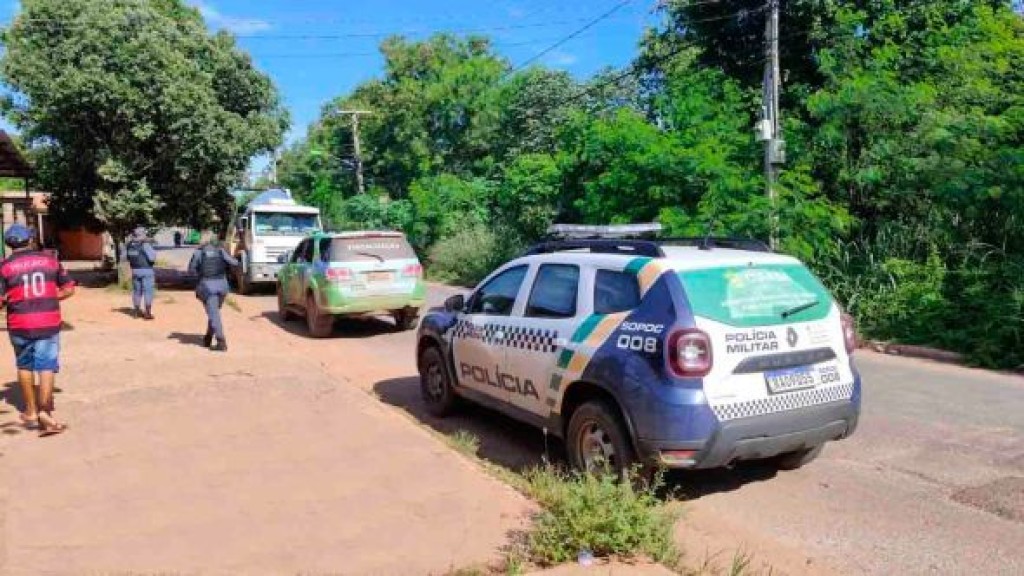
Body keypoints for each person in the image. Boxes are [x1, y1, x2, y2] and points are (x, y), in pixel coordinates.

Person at [0, 224, 76, 436]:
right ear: (30, 240)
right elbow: (69, 289)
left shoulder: (4, 267)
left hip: (19, 324)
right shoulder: (50, 260)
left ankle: (31, 411)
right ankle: (45, 411)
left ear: (9, 244)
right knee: (46, 366)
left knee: (24, 365)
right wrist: (50, 296)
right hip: (48, 322)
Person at [188, 233, 239, 352]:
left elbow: (191, 270)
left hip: (207, 287)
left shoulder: (198, 253)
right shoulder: (220, 251)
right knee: (214, 312)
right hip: (223, 287)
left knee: (214, 314)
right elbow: (235, 263)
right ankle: (208, 337)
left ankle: (221, 342)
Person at [125, 226, 157, 320]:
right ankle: (147, 313)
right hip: (146, 270)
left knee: (136, 291)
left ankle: (136, 312)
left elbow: (128, 258)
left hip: (135, 270)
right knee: (148, 291)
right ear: (143, 234)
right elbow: (152, 258)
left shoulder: (130, 245)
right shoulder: (144, 244)